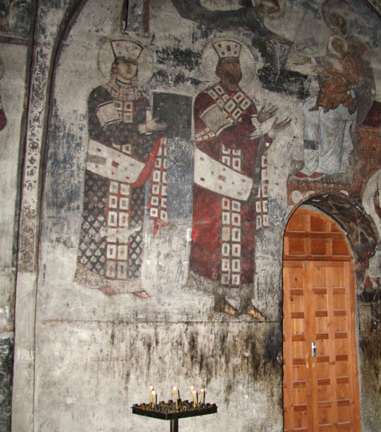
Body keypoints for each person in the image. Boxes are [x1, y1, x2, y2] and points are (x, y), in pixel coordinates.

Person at [189, 38, 289, 318]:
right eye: (229, 63)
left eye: (237, 63)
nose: (235, 68)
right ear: (219, 67)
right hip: (214, 181)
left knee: (244, 242)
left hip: (243, 183)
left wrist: (269, 133)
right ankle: (219, 298)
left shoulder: (248, 103)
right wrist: (256, 124)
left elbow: (253, 146)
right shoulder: (206, 98)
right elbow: (226, 136)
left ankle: (245, 302)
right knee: (214, 238)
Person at [75, 39, 167, 297]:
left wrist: (157, 132)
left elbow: (146, 135)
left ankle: (128, 283)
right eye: (123, 62)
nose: (129, 67)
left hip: (132, 172)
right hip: (102, 171)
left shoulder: (141, 99)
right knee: (100, 220)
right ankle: (95, 278)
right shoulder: (100, 94)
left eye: (133, 63)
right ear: (113, 66)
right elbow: (112, 131)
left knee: (132, 224)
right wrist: (145, 129)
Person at [293, 0, 375, 180]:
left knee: (328, 116)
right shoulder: (334, 43)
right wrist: (310, 61)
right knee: (307, 110)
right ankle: (310, 164)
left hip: (352, 100)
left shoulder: (357, 47)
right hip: (331, 95)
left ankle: (328, 167)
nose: (338, 24)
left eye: (340, 19)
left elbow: (363, 81)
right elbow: (327, 63)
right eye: (334, 20)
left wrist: (348, 91)